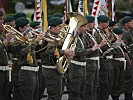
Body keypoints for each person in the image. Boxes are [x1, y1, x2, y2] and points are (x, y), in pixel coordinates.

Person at [41, 17, 74, 100]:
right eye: (59, 26)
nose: (61, 28)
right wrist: (64, 52)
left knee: (58, 94)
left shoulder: (56, 36)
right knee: (54, 95)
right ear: (52, 27)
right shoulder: (49, 37)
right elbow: (50, 51)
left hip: (56, 68)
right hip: (51, 69)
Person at [8, 17, 41, 100]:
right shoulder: (15, 39)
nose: (29, 28)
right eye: (26, 26)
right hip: (26, 72)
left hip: (34, 70)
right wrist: (36, 42)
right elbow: (22, 52)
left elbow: (36, 51)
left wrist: (41, 41)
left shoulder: (28, 37)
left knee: (35, 96)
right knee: (27, 97)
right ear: (20, 28)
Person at [94, 15, 114, 100]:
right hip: (102, 61)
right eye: (107, 22)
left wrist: (113, 42)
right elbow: (98, 47)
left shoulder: (103, 32)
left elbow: (107, 45)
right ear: (102, 23)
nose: (108, 24)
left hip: (108, 61)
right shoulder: (97, 33)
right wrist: (103, 45)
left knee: (108, 83)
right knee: (103, 84)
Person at [82, 15, 99, 100]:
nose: (94, 25)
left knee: (95, 85)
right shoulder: (84, 35)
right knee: (88, 86)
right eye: (92, 22)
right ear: (87, 23)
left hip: (95, 62)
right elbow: (83, 50)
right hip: (89, 63)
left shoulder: (93, 33)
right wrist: (92, 48)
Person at [110, 27, 129, 100]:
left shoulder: (121, 43)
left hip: (121, 63)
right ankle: (115, 97)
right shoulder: (112, 43)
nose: (120, 36)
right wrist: (116, 43)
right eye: (118, 35)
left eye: (120, 35)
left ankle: (117, 95)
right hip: (115, 63)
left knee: (120, 82)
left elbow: (125, 51)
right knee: (115, 82)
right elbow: (110, 50)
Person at [122, 16, 133, 100]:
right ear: (126, 24)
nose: (132, 23)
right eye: (131, 22)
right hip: (128, 59)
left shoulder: (130, 32)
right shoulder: (125, 33)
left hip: (131, 58)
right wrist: (128, 61)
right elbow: (124, 48)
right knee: (128, 80)